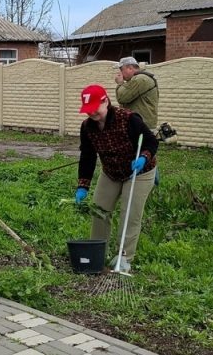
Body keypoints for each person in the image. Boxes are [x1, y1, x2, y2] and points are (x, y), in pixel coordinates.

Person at [74, 84, 158, 272]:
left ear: (106, 101)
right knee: (99, 210)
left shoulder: (128, 119)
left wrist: (144, 157)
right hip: (111, 172)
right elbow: (87, 157)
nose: (92, 113)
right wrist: (83, 186)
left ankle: (124, 258)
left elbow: (151, 141)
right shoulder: (87, 127)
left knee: (129, 213)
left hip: (139, 172)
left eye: (95, 108)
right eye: (88, 110)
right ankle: (97, 252)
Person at [114, 56, 159, 131]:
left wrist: (120, 83)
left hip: (141, 127)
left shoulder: (140, 79)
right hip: (138, 125)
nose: (120, 73)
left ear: (130, 68)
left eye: (121, 69)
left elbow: (122, 98)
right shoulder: (136, 79)